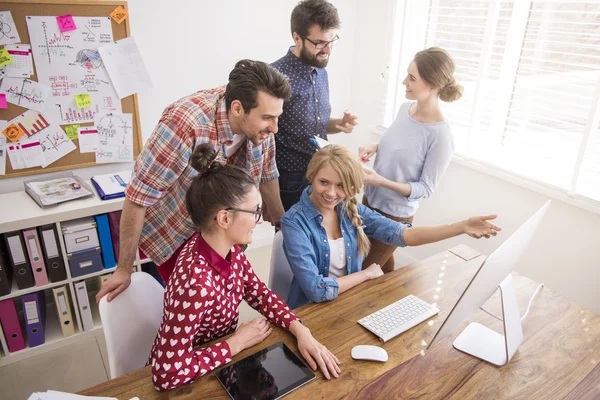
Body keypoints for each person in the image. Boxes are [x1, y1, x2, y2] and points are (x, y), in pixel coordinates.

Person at [149, 144, 340, 391]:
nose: (260, 219)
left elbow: (259, 294)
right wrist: (235, 344)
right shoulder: (195, 282)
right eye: (255, 211)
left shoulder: (229, 250)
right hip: (192, 379)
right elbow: (165, 375)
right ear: (225, 218)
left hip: (219, 365)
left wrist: (300, 330)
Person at [97, 60, 291, 302]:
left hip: (222, 230)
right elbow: (138, 197)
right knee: (189, 304)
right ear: (238, 108)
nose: (275, 127)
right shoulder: (184, 124)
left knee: (222, 298)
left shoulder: (261, 125)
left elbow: (268, 173)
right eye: (267, 118)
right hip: (176, 230)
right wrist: (124, 269)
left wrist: (284, 225)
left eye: (277, 117)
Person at [281, 144, 500, 309]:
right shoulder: (294, 223)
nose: (331, 193)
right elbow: (316, 290)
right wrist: (366, 275)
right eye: (324, 182)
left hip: (346, 303)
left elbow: (404, 234)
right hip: (309, 312)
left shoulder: (349, 209)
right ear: (312, 176)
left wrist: (461, 227)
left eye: (341, 186)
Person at [358, 47, 463, 273]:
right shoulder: (405, 109)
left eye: (412, 78)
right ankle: (393, 302)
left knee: (362, 272)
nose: (404, 82)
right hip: (369, 202)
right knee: (381, 267)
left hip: (395, 215)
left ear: (433, 84)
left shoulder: (441, 135)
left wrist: (382, 182)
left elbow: (425, 188)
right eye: (407, 74)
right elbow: (402, 148)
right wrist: (376, 147)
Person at [271, 0, 359, 212]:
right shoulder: (273, 77)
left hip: (323, 171)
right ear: (297, 37)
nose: (327, 50)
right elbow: (261, 138)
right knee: (292, 238)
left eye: (332, 41)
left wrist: (339, 124)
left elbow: (310, 124)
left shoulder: (321, 71)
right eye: (320, 42)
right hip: (292, 178)